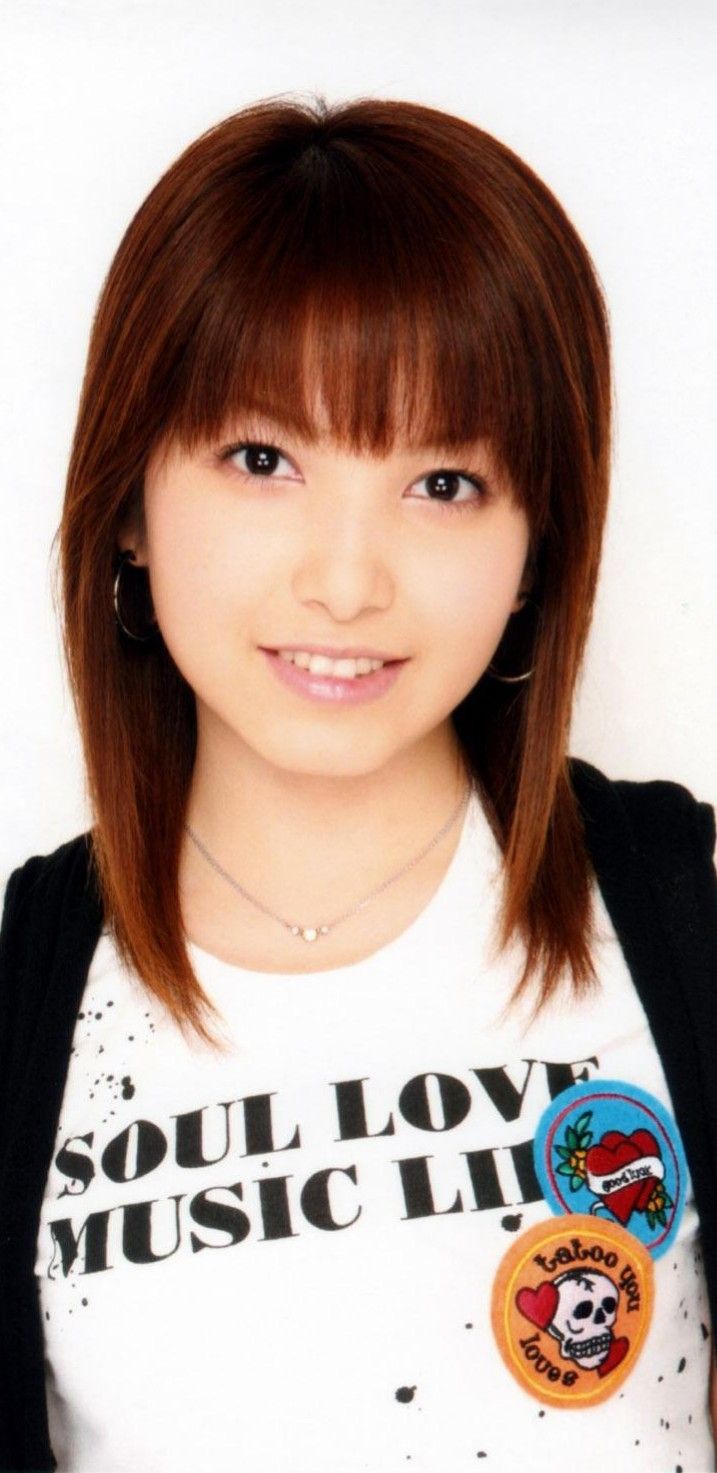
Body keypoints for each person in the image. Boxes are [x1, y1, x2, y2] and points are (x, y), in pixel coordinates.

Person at [1, 92, 716, 1473]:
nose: (345, 582)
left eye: (443, 482)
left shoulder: (678, 916)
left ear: (538, 543)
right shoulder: (31, 1001)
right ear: (130, 501)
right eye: (262, 458)